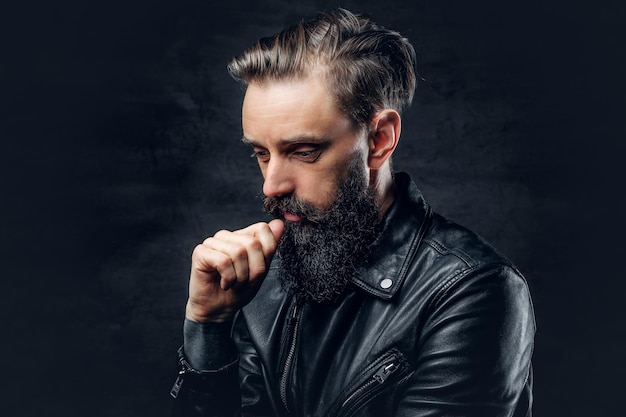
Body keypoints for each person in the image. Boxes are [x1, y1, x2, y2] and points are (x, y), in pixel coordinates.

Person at [170, 8, 535, 417]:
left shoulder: (470, 290)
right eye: (261, 153)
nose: (271, 186)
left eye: (303, 152)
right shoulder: (266, 278)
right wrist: (208, 326)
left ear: (379, 140)